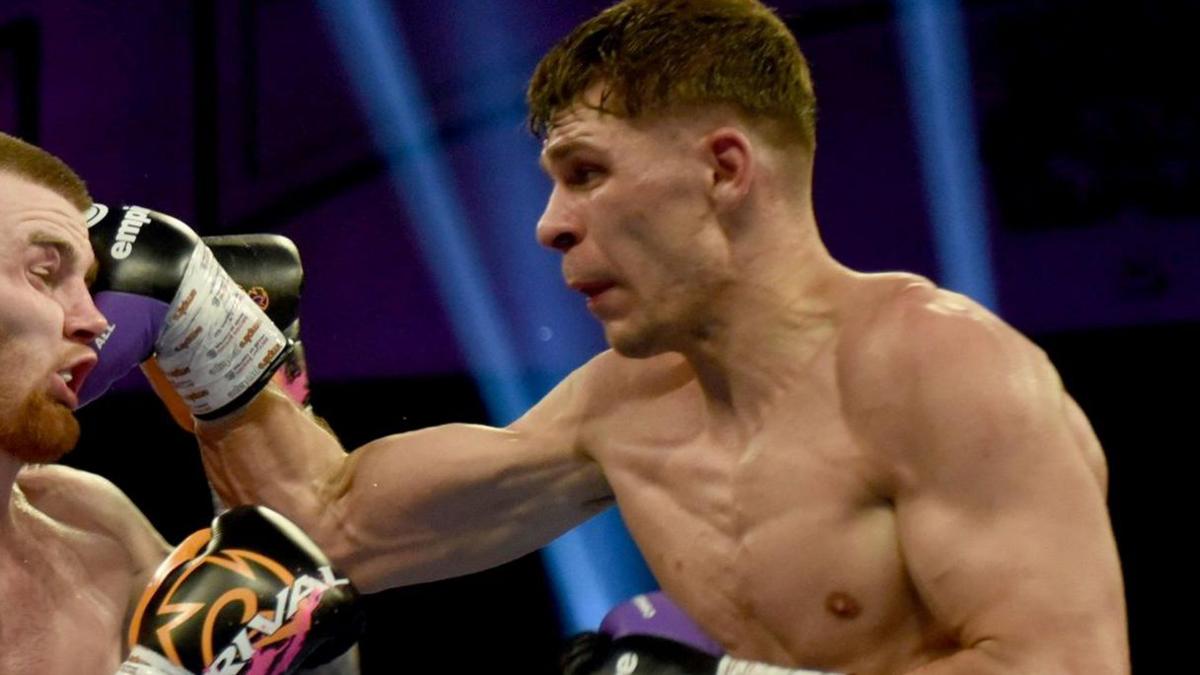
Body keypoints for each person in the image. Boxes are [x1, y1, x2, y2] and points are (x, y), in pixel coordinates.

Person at [144, 0, 1128, 672]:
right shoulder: (627, 404)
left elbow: (1068, 665)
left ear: (726, 168)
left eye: (585, 173)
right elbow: (329, 532)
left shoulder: (940, 371)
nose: (549, 224)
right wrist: (207, 330)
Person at [0, 131, 361, 674]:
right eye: (45, 273)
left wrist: (249, 391)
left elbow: (304, 615)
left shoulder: (88, 526)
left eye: (89, 283)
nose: (96, 319)